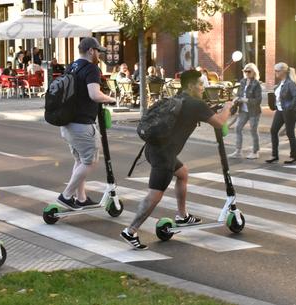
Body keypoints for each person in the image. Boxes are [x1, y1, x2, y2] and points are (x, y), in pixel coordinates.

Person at [120, 70, 233, 250]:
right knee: (155, 195)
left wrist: (213, 110)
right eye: (200, 84)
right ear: (190, 86)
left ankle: (182, 216)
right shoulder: (196, 104)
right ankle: (130, 230)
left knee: (183, 173)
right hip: (164, 155)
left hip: (152, 149)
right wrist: (228, 108)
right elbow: (219, 122)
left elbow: (198, 114)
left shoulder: (179, 98)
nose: (203, 88)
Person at [56, 37, 115, 211]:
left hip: (67, 123)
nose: (99, 55)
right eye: (98, 51)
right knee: (91, 162)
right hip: (81, 124)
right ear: (91, 51)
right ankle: (66, 196)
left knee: (80, 160)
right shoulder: (91, 68)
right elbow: (95, 95)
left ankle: (81, 198)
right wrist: (110, 99)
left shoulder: (72, 66)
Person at [267, 62, 296, 164]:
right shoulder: (280, 83)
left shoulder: (290, 83)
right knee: (273, 130)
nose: (275, 73)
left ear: (283, 71)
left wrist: (289, 107)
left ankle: (293, 156)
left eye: (277, 71)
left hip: (289, 112)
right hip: (280, 111)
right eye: (275, 71)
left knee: (290, 133)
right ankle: (274, 155)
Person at [228, 63, 262, 159]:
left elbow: (258, 100)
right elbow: (239, 94)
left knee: (253, 130)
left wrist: (246, 100)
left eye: (249, 71)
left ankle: (255, 152)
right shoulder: (242, 82)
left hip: (254, 111)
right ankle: (238, 151)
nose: (246, 73)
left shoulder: (256, 84)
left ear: (254, 72)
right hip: (243, 110)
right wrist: (236, 99)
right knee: (237, 128)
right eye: (245, 71)